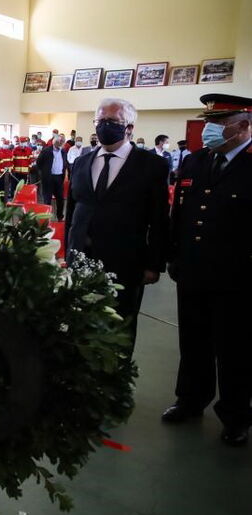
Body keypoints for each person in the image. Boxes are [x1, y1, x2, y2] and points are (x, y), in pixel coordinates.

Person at [164, 94, 252, 446]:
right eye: (209, 122)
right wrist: (174, 256)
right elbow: (179, 215)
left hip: (238, 277)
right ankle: (190, 400)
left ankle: (236, 416)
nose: (210, 129)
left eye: (219, 123)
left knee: (235, 349)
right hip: (194, 271)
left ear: (244, 124)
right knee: (193, 342)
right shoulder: (197, 162)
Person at [66, 98, 169, 348]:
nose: (104, 126)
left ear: (129, 127)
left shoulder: (151, 165)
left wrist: (154, 265)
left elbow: (159, 219)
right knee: (78, 323)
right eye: (99, 121)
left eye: (111, 121)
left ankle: (117, 380)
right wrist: (66, 251)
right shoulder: (81, 162)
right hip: (80, 258)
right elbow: (73, 211)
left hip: (125, 262)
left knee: (120, 327)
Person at [36, 134, 68, 219]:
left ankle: (60, 216)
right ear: (54, 142)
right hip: (48, 178)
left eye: (62, 142)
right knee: (47, 199)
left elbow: (65, 163)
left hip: (59, 177)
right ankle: (46, 217)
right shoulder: (46, 151)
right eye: (59, 142)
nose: (61, 143)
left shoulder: (63, 151)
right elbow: (38, 163)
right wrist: (44, 173)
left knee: (60, 199)